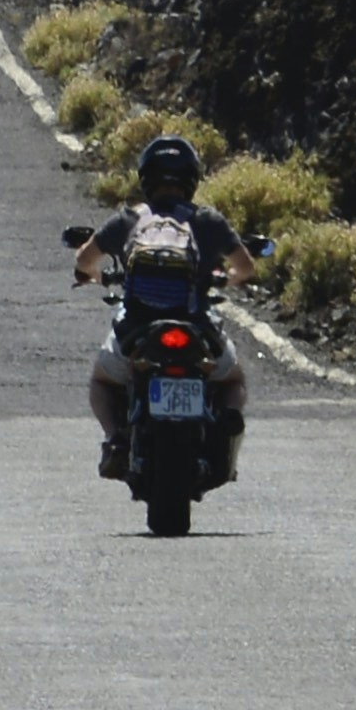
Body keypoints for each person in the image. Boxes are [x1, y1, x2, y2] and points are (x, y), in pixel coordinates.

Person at [71, 134, 253, 481]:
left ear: (146, 177)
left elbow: (84, 260)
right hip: (196, 325)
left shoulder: (128, 219)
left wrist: (94, 276)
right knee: (232, 378)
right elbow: (245, 267)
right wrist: (221, 279)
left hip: (137, 328)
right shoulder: (207, 220)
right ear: (192, 179)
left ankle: (115, 439)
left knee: (102, 381)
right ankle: (226, 429)